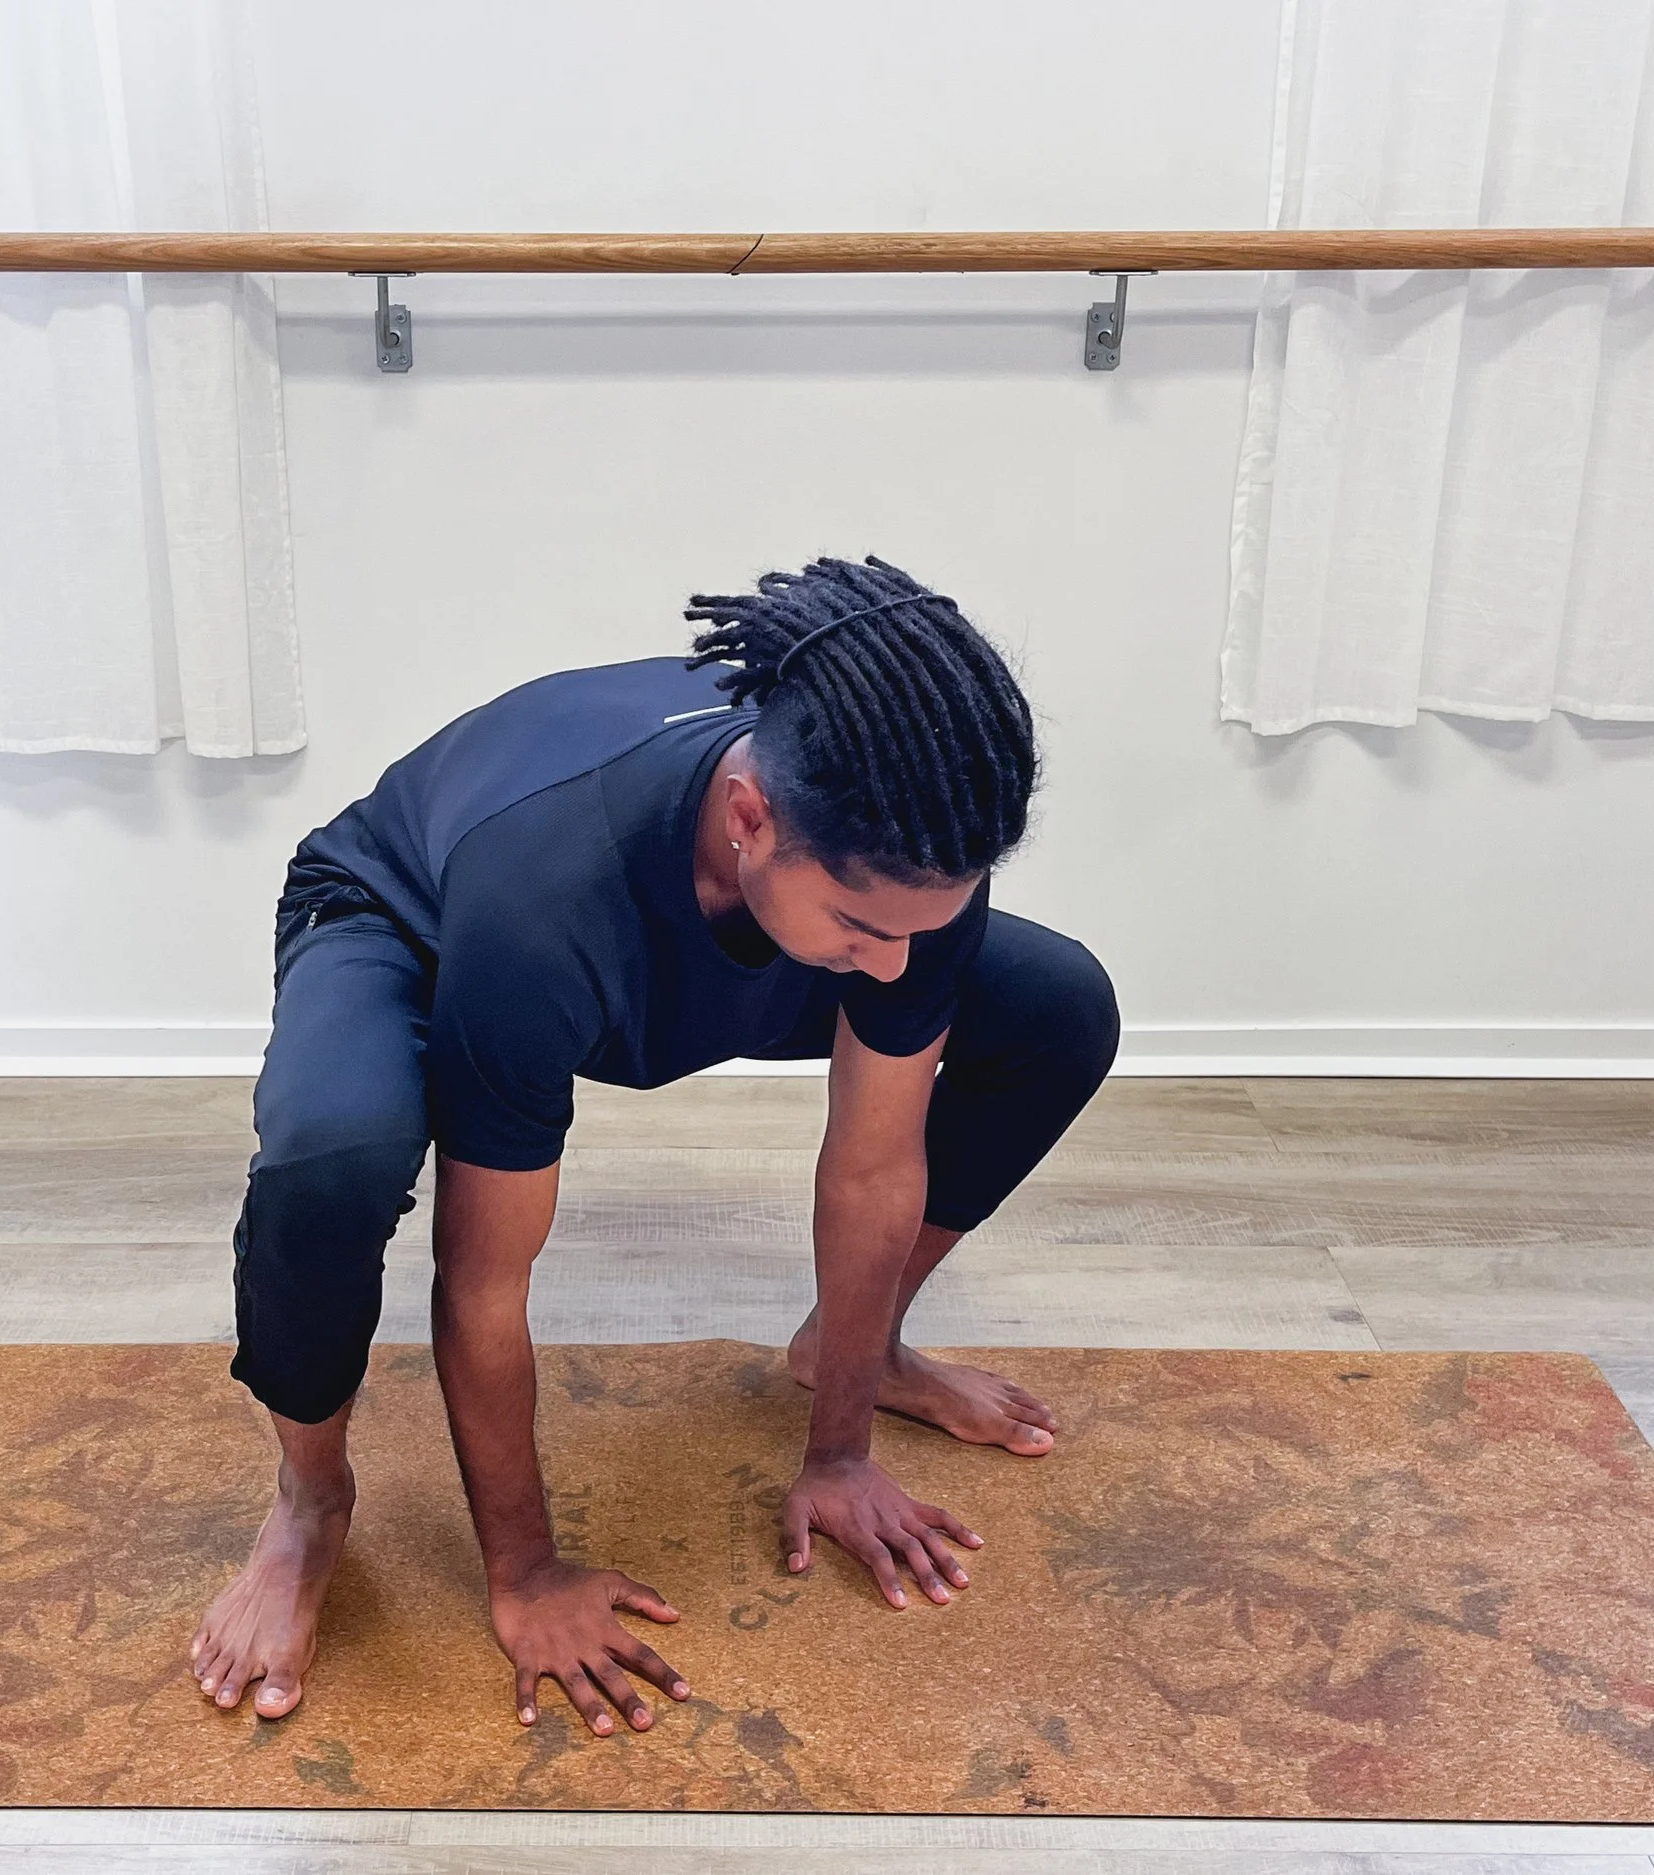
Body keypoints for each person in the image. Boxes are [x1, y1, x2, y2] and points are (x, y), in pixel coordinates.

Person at [189, 554, 1119, 1736]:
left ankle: (863, 1350)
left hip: (704, 941)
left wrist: (836, 1454)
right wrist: (523, 1577)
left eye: (915, 934)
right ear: (749, 818)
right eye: (864, 927)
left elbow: (875, 1161)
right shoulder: (543, 901)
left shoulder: (896, 844)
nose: (894, 965)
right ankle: (309, 1498)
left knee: (1056, 1007)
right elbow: (483, 1280)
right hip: (419, 922)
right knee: (329, 1161)